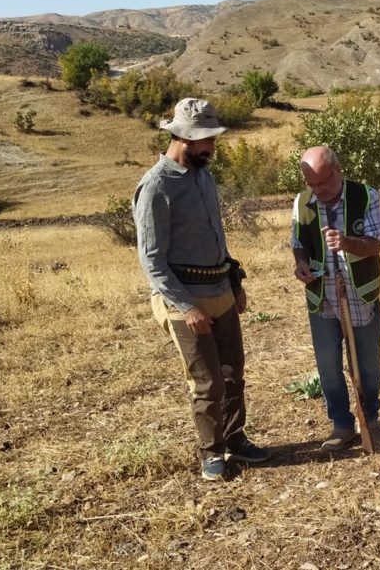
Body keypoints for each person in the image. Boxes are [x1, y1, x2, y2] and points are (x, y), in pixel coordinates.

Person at [133, 97, 270, 481]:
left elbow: (216, 237)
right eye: (206, 140)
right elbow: (153, 260)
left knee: (232, 373)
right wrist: (187, 306)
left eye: (213, 138)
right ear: (183, 138)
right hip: (184, 301)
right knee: (207, 380)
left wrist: (234, 279)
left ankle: (236, 440)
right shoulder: (156, 187)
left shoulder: (203, 175)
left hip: (220, 291)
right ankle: (212, 453)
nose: (213, 147)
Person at [291, 146, 380, 451]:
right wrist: (300, 263)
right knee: (329, 366)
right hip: (322, 297)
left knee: (368, 364)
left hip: (359, 293)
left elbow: (375, 245)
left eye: (325, 182)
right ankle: (342, 425)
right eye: (313, 184)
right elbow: (297, 242)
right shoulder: (303, 201)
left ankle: (370, 420)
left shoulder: (366, 196)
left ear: (339, 171)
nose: (319, 190)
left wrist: (346, 242)